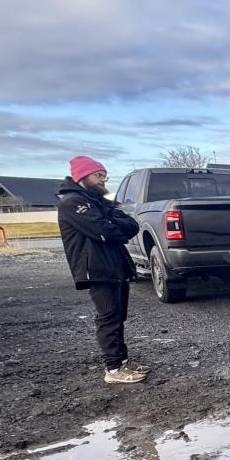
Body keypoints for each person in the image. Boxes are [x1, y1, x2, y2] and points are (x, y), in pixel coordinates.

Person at [58, 156, 148, 384]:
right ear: (82, 176)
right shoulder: (72, 203)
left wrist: (110, 221)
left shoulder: (98, 201)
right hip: (97, 269)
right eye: (98, 175)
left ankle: (123, 361)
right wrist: (110, 224)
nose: (102, 180)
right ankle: (114, 369)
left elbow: (131, 226)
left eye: (104, 176)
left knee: (118, 316)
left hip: (115, 266)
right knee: (108, 317)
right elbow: (105, 231)